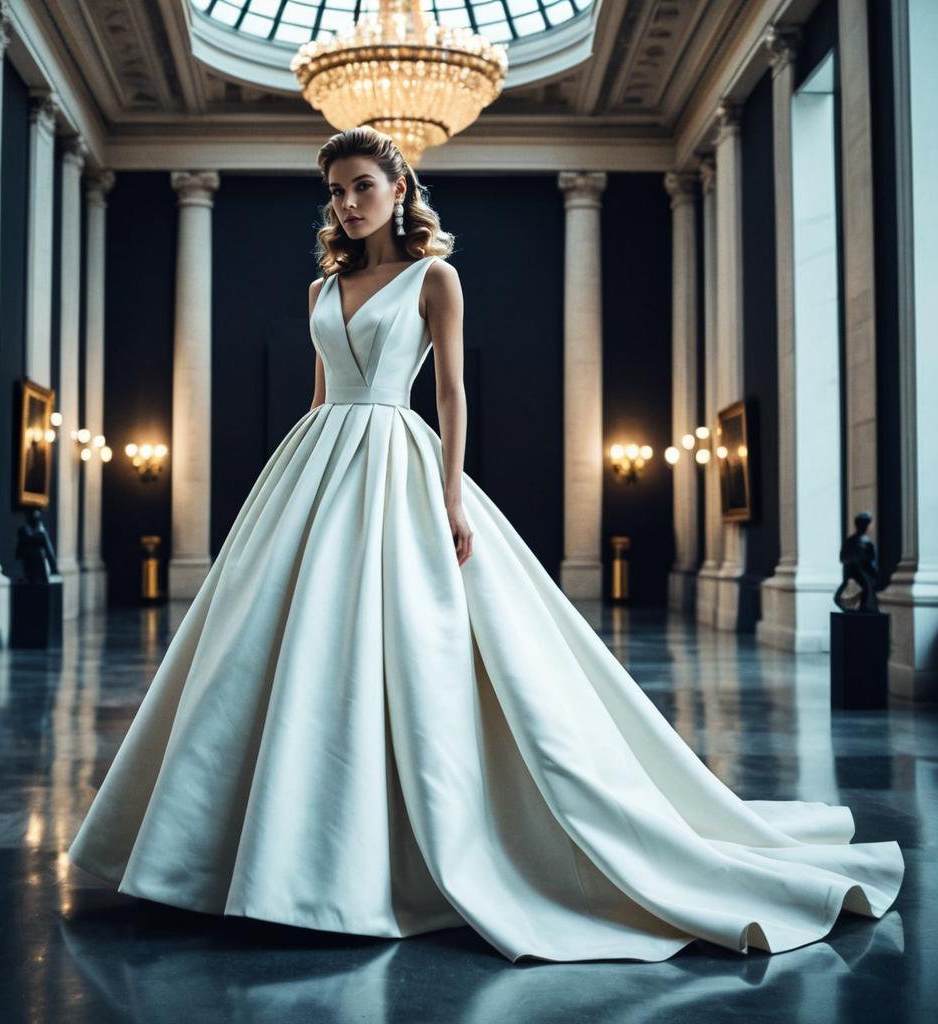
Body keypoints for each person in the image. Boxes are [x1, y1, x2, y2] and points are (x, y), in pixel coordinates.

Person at [66, 127, 904, 964]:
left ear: (399, 190)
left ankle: (405, 845)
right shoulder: (324, 285)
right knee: (276, 643)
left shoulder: (436, 278)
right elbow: (319, 395)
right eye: (336, 192)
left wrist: (452, 491)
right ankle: (248, 850)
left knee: (413, 642)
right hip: (316, 462)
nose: (347, 204)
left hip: (399, 456)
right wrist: (295, 481)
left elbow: (453, 392)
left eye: (362, 187)